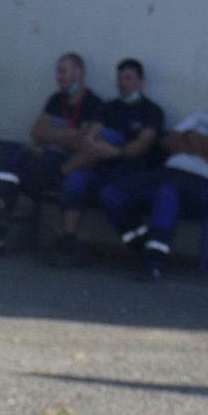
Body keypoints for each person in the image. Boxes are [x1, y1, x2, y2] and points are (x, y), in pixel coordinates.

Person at [99, 71, 208, 279]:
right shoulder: (201, 117)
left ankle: (155, 263)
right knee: (111, 194)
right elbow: (168, 142)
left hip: (205, 184)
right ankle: (142, 246)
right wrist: (203, 147)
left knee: (167, 192)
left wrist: (190, 139)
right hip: (170, 171)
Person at [0, 52, 101, 250]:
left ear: (79, 72)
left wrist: (52, 134)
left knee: (29, 167)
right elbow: (37, 131)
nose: (58, 77)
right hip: (40, 157)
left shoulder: (93, 104)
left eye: (63, 71)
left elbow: (81, 142)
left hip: (59, 165)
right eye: (57, 72)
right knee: (9, 153)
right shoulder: (56, 100)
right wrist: (68, 134)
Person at [49, 57, 168, 265]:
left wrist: (114, 150)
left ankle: (143, 248)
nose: (122, 83)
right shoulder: (107, 108)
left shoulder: (152, 111)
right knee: (78, 177)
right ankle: (68, 242)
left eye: (128, 78)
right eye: (120, 78)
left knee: (111, 139)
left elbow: (141, 146)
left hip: (133, 174)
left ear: (141, 80)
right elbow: (90, 138)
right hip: (101, 168)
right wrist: (97, 146)